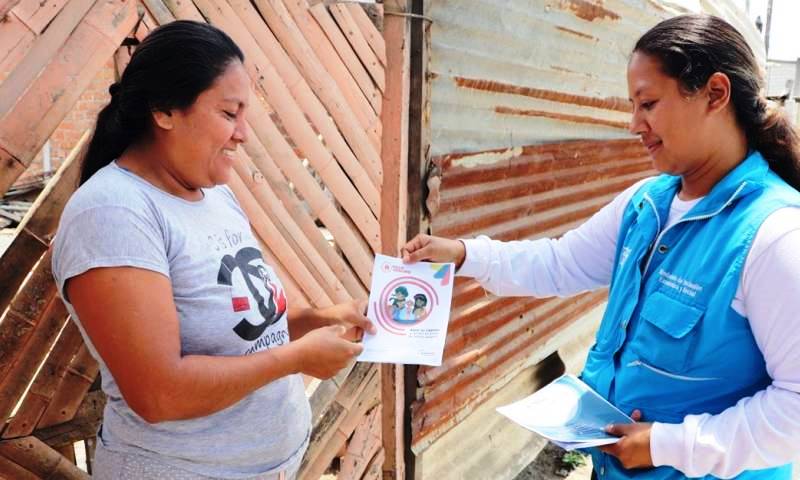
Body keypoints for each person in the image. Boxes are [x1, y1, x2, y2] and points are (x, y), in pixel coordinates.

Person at [402, 14, 800, 480]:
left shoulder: (774, 236)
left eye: (648, 103)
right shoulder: (646, 204)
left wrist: (669, 444)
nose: (635, 124)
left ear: (715, 93)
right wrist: (466, 254)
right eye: (633, 105)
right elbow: (559, 262)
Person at [51, 20, 374, 480]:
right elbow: (159, 395)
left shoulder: (214, 195)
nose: (244, 132)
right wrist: (297, 359)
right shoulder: (113, 213)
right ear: (164, 110)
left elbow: (241, 332)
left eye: (245, 115)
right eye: (228, 114)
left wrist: (323, 318)